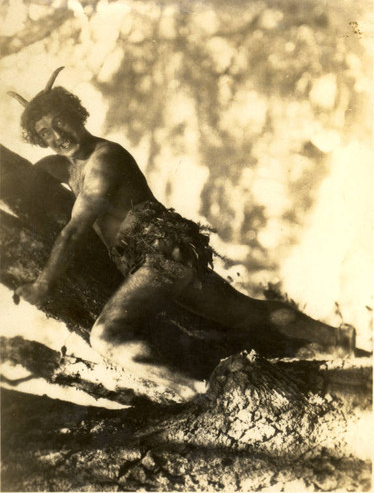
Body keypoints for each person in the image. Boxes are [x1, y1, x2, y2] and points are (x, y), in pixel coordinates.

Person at [9, 67, 355, 399]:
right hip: (165, 257)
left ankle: (200, 393)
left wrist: (43, 285)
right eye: (45, 134)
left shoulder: (104, 159)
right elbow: (33, 177)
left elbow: (74, 231)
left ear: (76, 114)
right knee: (248, 312)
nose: (57, 136)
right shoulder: (68, 165)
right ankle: (341, 339)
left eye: (60, 123)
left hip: (160, 257)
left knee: (106, 337)